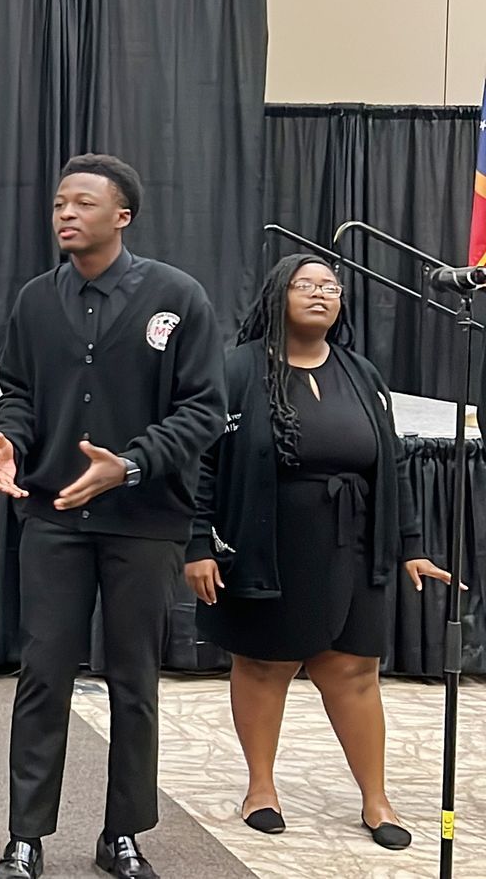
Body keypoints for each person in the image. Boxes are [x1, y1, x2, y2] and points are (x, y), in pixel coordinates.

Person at [0, 155, 226, 879]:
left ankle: (122, 831)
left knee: (133, 680)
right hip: (54, 516)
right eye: (59, 202)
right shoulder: (35, 300)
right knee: (43, 675)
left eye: (82, 202)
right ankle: (25, 836)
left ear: (122, 216)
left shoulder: (176, 297)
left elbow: (204, 409)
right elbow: (18, 390)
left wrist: (133, 461)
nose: (65, 213)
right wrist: (7, 440)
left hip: (144, 519)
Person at [185, 253, 451, 851]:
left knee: (354, 667)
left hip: (353, 543)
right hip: (267, 543)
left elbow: (394, 463)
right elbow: (202, 462)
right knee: (262, 663)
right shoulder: (235, 370)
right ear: (277, 296)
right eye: (306, 285)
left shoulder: (362, 373)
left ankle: (375, 799)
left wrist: (409, 545)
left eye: (331, 286)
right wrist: (197, 541)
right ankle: (261, 788)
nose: (321, 294)